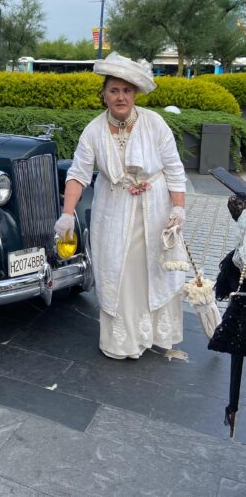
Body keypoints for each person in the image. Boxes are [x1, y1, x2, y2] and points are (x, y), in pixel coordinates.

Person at [55, 52, 187, 360]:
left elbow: (174, 168)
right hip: (113, 211)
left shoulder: (155, 124)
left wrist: (178, 208)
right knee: (121, 271)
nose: (121, 97)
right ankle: (124, 342)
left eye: (127, 90)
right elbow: (78, 174)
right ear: (104, 94)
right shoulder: (93, 131)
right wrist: (66, 215)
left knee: (153, 269)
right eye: (114, 90)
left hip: (155, 210)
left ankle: (156, 334)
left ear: (135, 94)